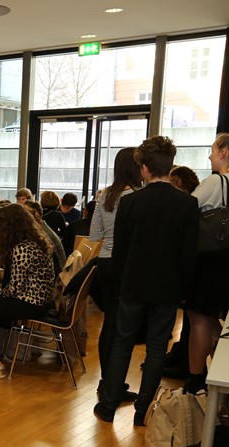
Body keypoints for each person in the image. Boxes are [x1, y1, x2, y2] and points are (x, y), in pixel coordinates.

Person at [95, 136, 198, 425]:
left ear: (144, 168)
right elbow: (188, 255)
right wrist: (184, 290)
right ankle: (143, 411)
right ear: (170, 166)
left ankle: (109, 405)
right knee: (156, 348)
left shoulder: (130, 203)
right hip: (168, 288)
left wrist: (120, 283)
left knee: (122, 343)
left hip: (132, 285)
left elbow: (121, 250)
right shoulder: (187, 204)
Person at [185, 132, 229, 393]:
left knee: (200, 319)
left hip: (210, 259)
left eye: (213, 150)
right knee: (215, 317)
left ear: (225, 152)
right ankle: (222, 368)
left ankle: (195, 380)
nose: (210, 155)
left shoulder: (217, 182)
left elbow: (186, 209)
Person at [0, 204, 55, 378]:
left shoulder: (21, 249)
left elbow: (14, 287)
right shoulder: (34, 242)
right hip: (41, 300)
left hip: (30, 303)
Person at [89, 147, 142, 406]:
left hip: (105, 262)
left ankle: (107, 382)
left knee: (109, 323)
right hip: (127, 263)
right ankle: (114, 385)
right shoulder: (139, 196)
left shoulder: (105, 195)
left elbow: (94, 235)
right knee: (123, 327)